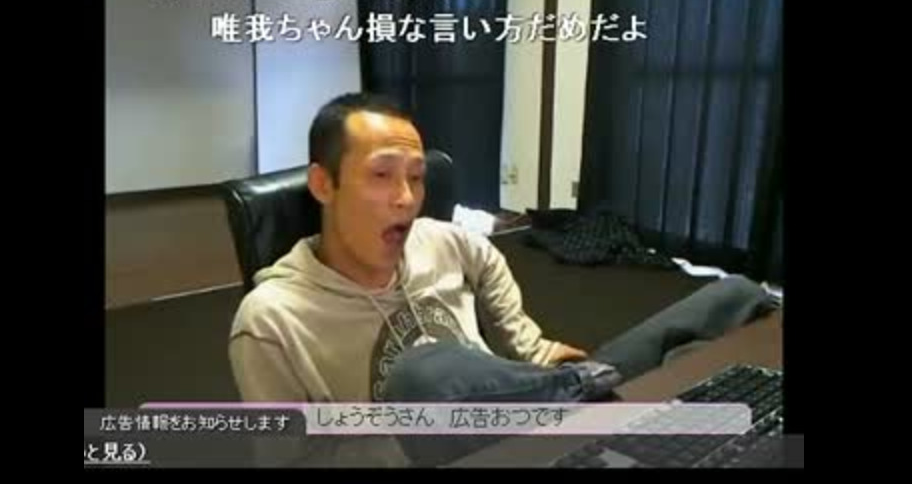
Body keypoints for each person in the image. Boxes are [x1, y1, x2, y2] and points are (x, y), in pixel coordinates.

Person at [227, 92, 777, 467]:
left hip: (542, 414)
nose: (406, 198)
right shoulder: (271, 319)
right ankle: (607, 406)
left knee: (737, 297)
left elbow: (505, 301)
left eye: (417, 178)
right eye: (381, 175)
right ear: (323, 184)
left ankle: (607, 410)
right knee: (423, 374)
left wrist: (537, 356)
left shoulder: (446, 242)